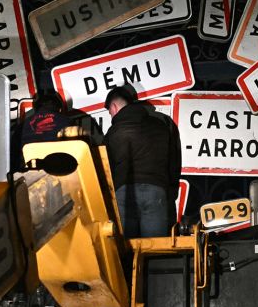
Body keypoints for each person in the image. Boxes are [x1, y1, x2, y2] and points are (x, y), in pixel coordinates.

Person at [102, 83, 181, 237]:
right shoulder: (161, 125)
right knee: (155, 247)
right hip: (156, 190)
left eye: (110, 111)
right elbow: (173, 159)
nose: (111, 116)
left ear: (114, 107)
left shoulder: (112, 133)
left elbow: (106, 166)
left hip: (124, 192)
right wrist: (171, 189)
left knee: (126, 249)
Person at [10, 86, 100, 169]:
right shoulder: (67, 121)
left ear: (35, 108)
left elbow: (12, 155)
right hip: (61, 169)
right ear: (60, 108)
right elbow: (82, 149)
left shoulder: (22, 126)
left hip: (30, 171)